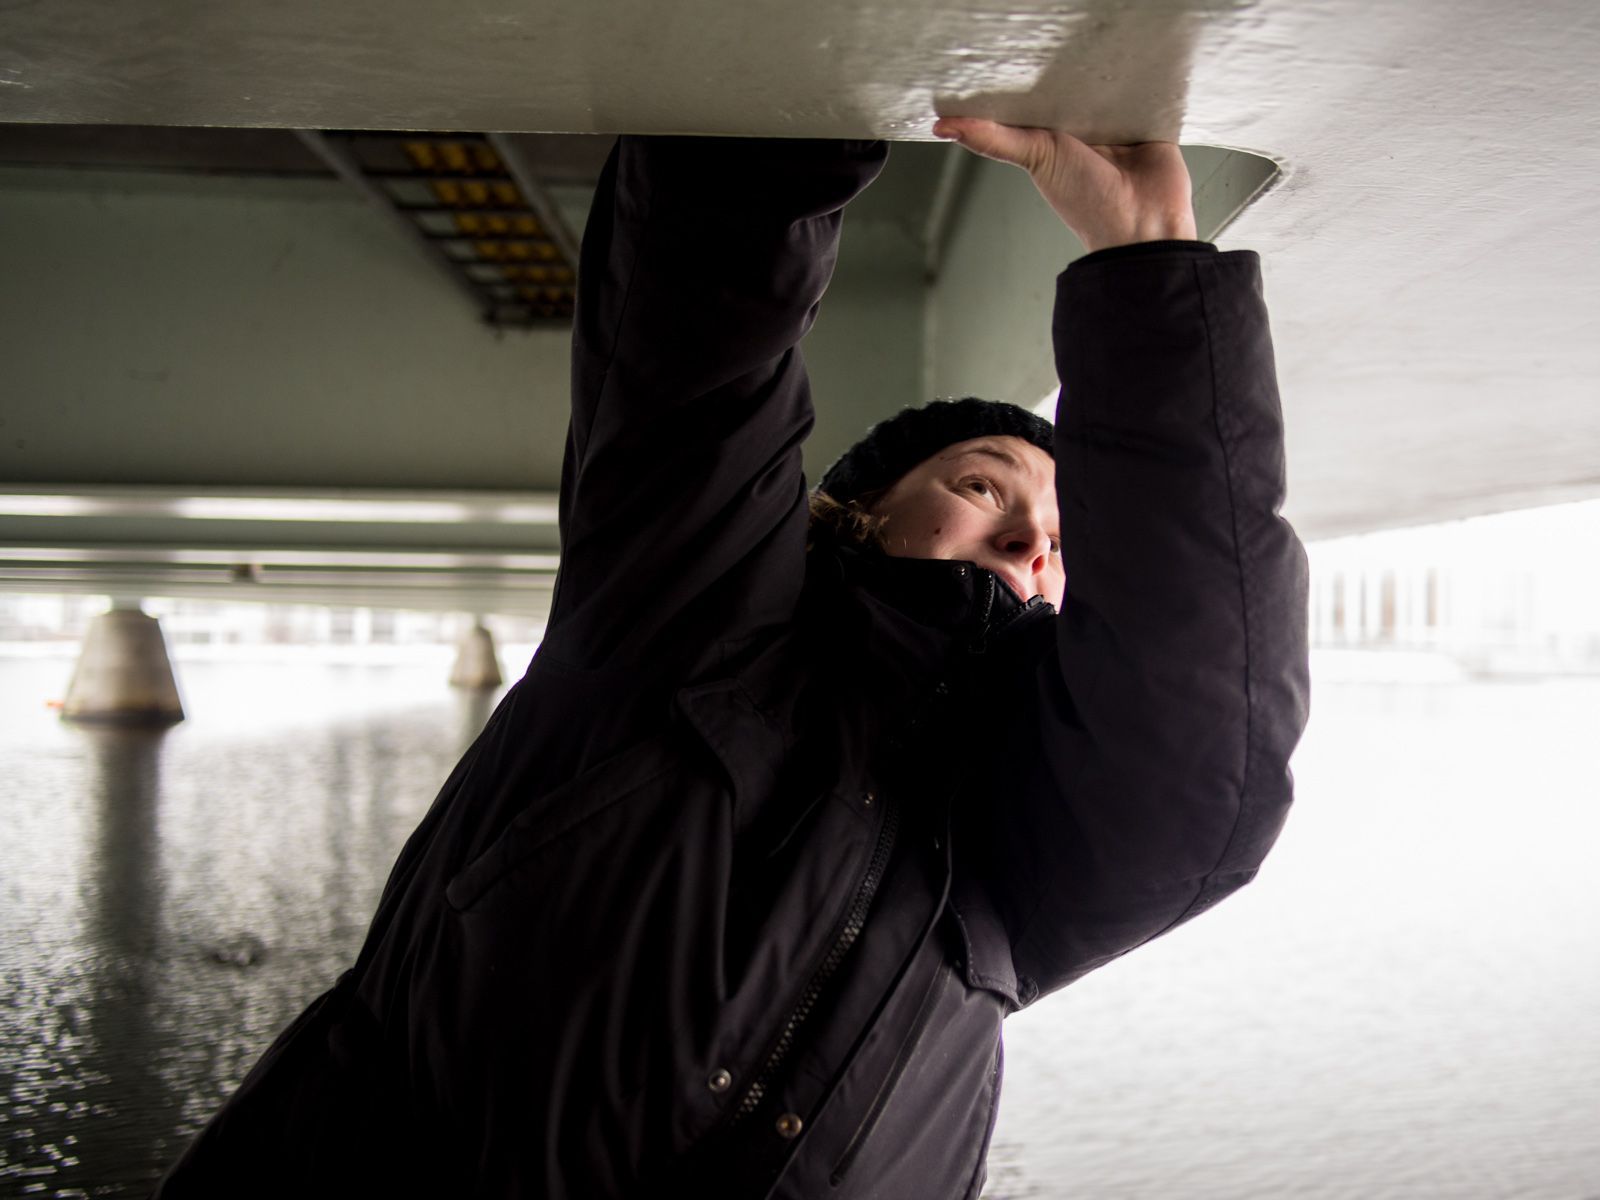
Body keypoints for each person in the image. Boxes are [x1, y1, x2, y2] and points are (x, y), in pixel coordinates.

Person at [152, 116, 1309, 1199]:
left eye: (1063, 538)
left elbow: (1202, 734)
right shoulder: (685, 621)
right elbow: (696, 332)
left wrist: (1149, 260)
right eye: (979, 485)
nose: (1026, 537)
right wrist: (798, 74)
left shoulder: (1030, 839)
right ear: (847, 512)